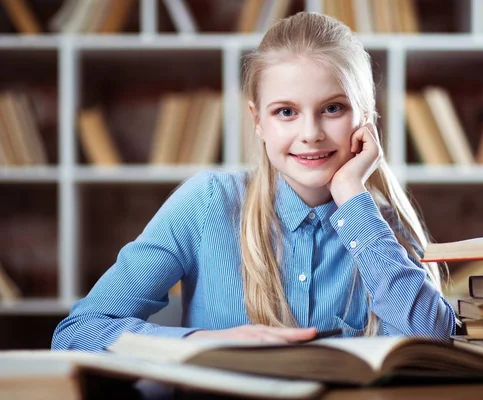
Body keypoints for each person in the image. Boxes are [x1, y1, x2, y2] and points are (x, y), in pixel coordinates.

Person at [52, 11, 455, 352]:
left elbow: (436, 343)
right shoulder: (208, 202)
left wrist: (353, 197)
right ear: (257, 120)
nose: (311, 132)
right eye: (286, 112)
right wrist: (208, 343)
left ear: (365, 119)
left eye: (333, 108)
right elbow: (77, 333)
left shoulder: (384, 231)